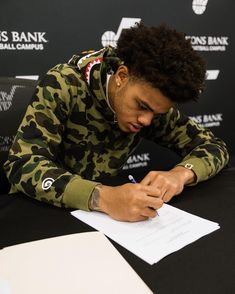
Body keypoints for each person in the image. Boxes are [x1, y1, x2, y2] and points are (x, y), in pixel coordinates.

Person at [4, 23, 229, 222]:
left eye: (157, 113)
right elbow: (22, 164)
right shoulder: (64, 85)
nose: (146, 120)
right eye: (142, 106)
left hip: (104, 223)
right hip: (40, 213)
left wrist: (181, 173)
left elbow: (214, 147)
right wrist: (102, 197)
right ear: (121, 76)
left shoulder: (152, 107)